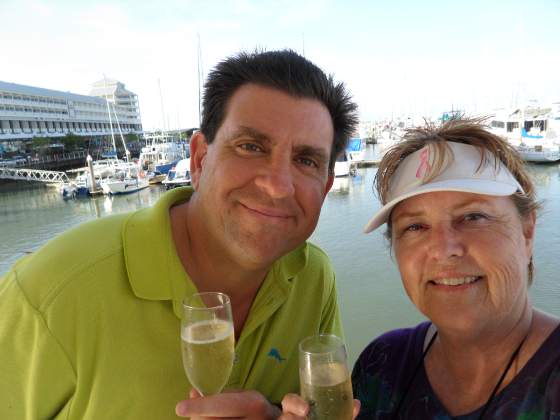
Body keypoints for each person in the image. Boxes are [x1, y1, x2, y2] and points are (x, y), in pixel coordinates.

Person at [0, 49, 358, 419]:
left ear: (326, 185)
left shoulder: (313, 278)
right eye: (251, 147)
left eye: (306, 161)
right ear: (200, 159)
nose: (278, 186)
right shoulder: (49, 295)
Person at [280, 118, 560, 419]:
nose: (443, 249)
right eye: (415, 226)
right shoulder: (383, 363)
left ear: (527, 231)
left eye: (473, 217)